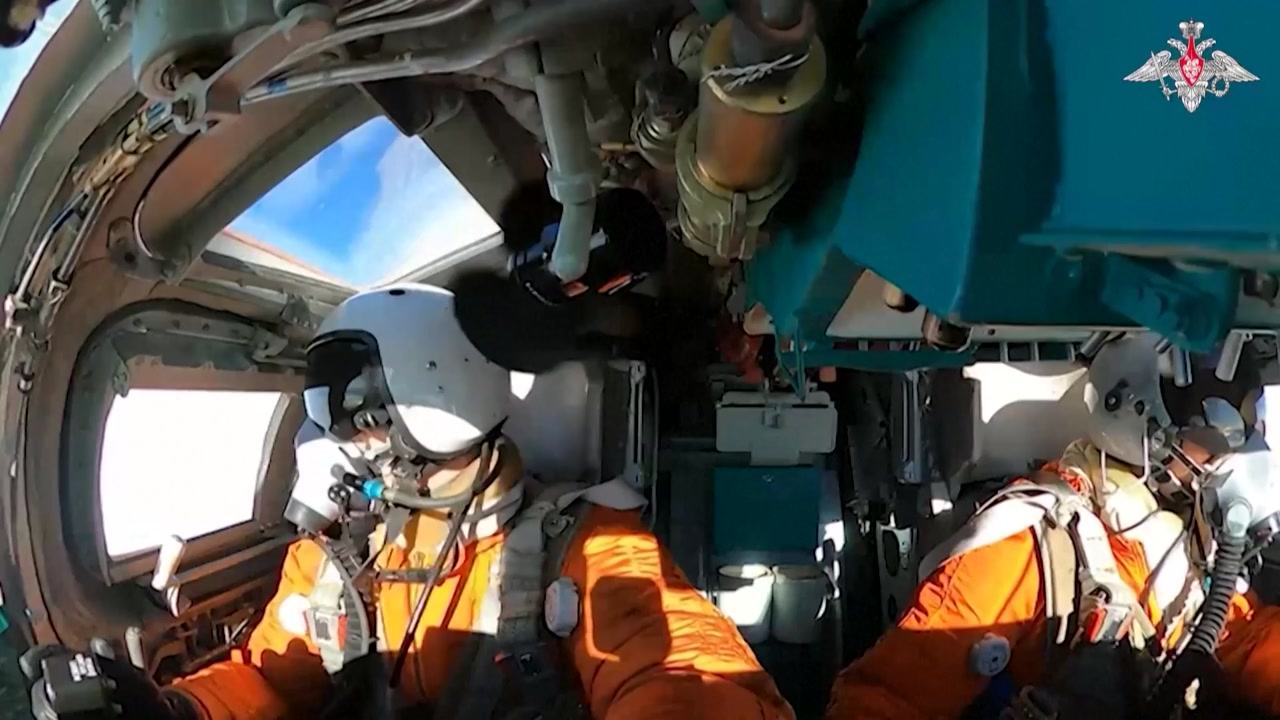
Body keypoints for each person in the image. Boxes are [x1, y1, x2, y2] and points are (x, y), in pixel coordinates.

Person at [26, 283, 792, 720]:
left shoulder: (587, 544)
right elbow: (270, 676)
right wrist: (178, 713)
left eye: (357, 416)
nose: (337, 441)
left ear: (441, 396)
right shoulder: (334, 559)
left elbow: (678, 670)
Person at [826, 335, 1280, 719]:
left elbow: (1242, 640)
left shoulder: (1183, 539)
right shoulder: (1027, 542)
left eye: (1247, 426)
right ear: (1142, 418)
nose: (1236, 458)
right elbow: (889, 697)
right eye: (1222, 432)